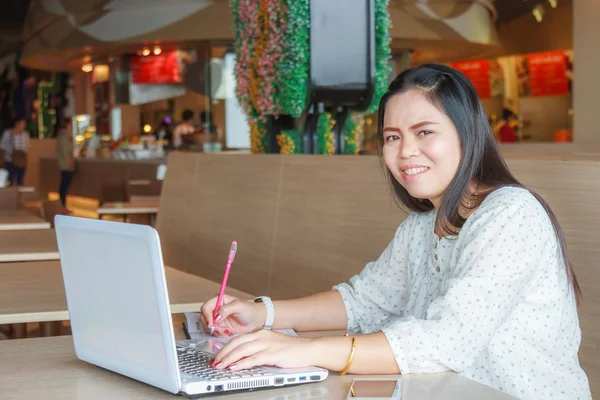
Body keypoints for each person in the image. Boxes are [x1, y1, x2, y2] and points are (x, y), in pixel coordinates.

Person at [199, 64, 591, 400]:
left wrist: (303, 350)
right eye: (392, 137)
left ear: (466, 133)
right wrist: (261, 314)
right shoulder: (421, 227)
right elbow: (362, 301)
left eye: (424, 132)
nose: (404, 152)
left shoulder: (511, 214)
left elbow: (446, 341)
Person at [0, 117, 30, 186]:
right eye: (22, 124)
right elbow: (2, 147)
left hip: (21, 161)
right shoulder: (8, 133)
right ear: (17, 124)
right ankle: (10, 195)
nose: (24, 126)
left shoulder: (25, 135)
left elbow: (26, 150)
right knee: (10, 180)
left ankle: (19, 196)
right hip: (10, 161)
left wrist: (26, 162)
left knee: (20, 181)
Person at [56, 117, 75, 207]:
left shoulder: (64, 136)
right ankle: (62, 205)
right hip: (65, 165)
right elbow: (65, 153)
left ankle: (62, 205)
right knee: (64, 185)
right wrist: (70, 164)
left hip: (64, 164)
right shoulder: (63, 137)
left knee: (64, 185)